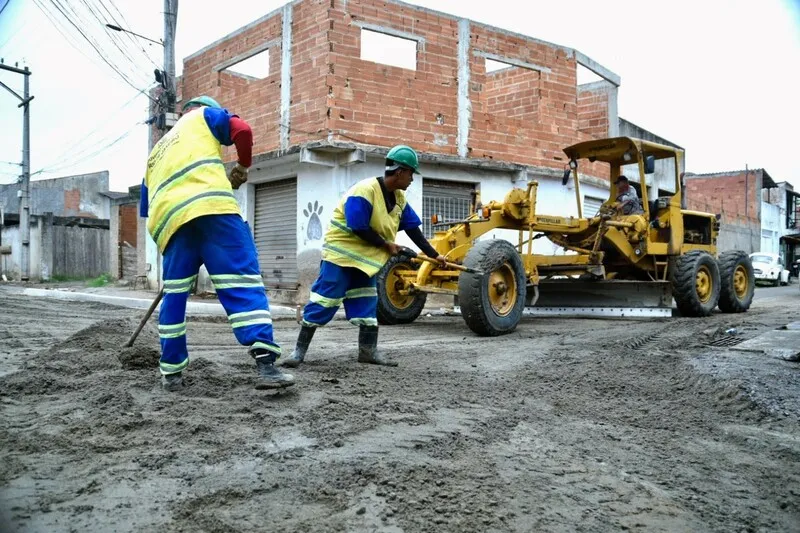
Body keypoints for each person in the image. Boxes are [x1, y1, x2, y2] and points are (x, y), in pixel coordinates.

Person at [139, 95, 294, 392]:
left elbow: (146, 207)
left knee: (175, 297)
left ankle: (171, 374)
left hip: (170, 225)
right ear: (203, 108)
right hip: (213, 210)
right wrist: (243, 166)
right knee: (242, 282)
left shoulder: (155, 153)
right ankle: (266, 365)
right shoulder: (205, 116)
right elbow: (244, 132)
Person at [281, 145, 446, 368]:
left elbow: (413, 230)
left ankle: (368, 352)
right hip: (341, 257)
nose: (411, 180)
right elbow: (357, 226)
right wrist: (387, 245)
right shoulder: (364, 190)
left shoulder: (399, 199)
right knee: (324, 301)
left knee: (367, 303)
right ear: (400, 172)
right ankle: (298, 352)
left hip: (365, 262)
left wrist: (434, 256)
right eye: (410, 174)